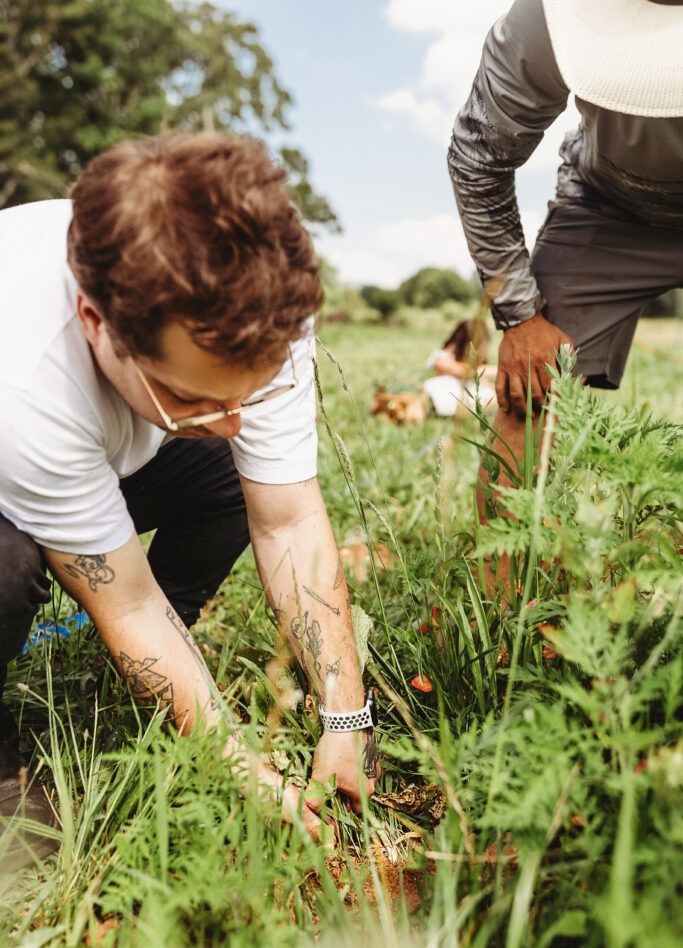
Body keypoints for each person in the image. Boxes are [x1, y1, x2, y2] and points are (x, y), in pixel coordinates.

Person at [0, 132, 380, 870]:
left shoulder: (258, 300)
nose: (235, 421)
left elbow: (291, 517)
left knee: (222, 476)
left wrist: (346, 715)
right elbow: (128, 604)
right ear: (95, 322)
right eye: (192, 394)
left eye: (253, 392)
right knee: (5, 568)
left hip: (85, 444)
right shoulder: (26, 376)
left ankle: (115, 661)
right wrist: (239, 766)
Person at [448, 0, 683, 543]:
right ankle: (512, 603)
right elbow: (478, 155)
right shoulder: (548, 15)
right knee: (531, 388)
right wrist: (520, 315)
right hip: (609, 205)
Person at [422, 319, 497, 417]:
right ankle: (464, 414)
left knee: (492, 394)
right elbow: (468, 373)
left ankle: (468, 413)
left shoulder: (468, 365)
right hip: (447, 396)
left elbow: (482, 382)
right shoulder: (442, 359)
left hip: (464, 397)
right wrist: (501, 369)